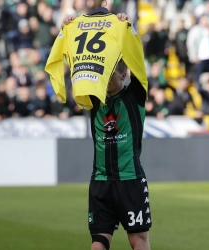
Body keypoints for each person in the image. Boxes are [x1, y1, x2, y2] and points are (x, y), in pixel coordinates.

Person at [62, 13, 152, 250]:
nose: (105, 76)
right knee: (98, 243)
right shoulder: (94, 99)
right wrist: (70, 30)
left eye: (111, 72)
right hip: (100, 181)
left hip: (130, 179)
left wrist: (126, 27)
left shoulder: (135, 96)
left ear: (124, 75)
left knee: (138, 240)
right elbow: (80, 66)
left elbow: (138, 59)